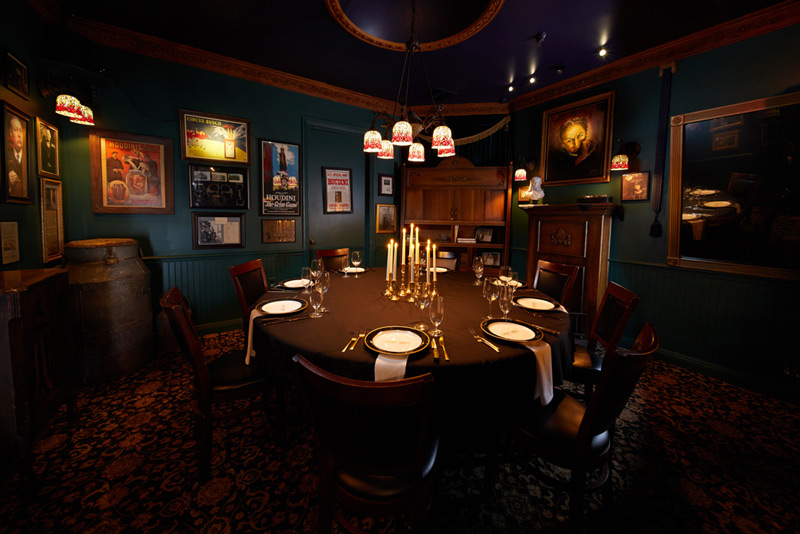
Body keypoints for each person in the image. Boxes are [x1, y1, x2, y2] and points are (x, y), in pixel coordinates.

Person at [548, 116, 603, 181]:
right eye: (569, 140)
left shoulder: (596, 153)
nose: (576, 143)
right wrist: (582, 156)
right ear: (563, 144)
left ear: (586, 133)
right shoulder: (558, 157)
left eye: (580, 135)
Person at [6, 115, 26, 197]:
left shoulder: (27, 158)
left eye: (21, 131)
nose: (19, 135)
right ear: (11, 133)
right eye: (16, 130)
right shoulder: (6, 155)